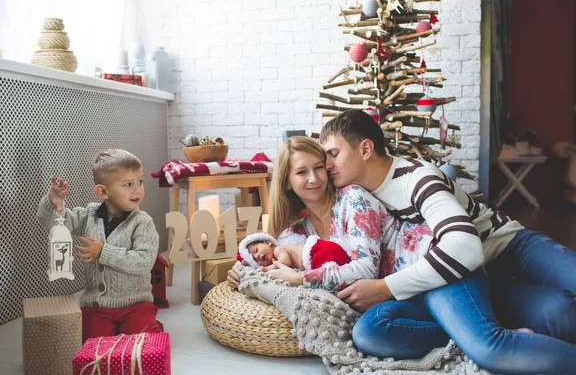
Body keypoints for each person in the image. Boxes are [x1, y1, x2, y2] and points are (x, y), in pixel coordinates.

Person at [317, 109, 576, 374]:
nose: (326, 165)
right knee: (558, 314)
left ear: (366, 149)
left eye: (333, 154)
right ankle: (485, 330)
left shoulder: (416, 178)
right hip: (468, 276)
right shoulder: (353, 198)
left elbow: (464, 246)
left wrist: (386, 287)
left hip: (506, 244)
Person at [227, 136, 435, 293]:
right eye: (301, 172)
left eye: (318, 168)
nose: (314, 178)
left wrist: (302, 279)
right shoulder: (296, 233)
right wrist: (239, 272)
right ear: (287, 182)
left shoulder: (353, 199)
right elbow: (268, 263)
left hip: (431, 266)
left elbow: (367, 270)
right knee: (369, 333)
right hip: (397, 293)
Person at [36, 148, 162, 341]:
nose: (137, 189)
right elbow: (54, 224)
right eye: (128, 184)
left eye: (140, 182)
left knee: (144, 341)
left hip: (135, 304)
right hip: (97, 305)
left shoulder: (142, 222)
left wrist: (104, 251)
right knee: (92, 343)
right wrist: (53, 203)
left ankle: (150, 325)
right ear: (103, 191)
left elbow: (144, 261)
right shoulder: (89, 215)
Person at [237, 232, 350, 271]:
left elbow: (285, 262)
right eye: (254, 259)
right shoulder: (274, 258)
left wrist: (267, 269)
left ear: (268, 243)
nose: (258, 256)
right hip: (322, 256)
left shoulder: (278, 250)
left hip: (319, 252)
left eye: (256, 250)